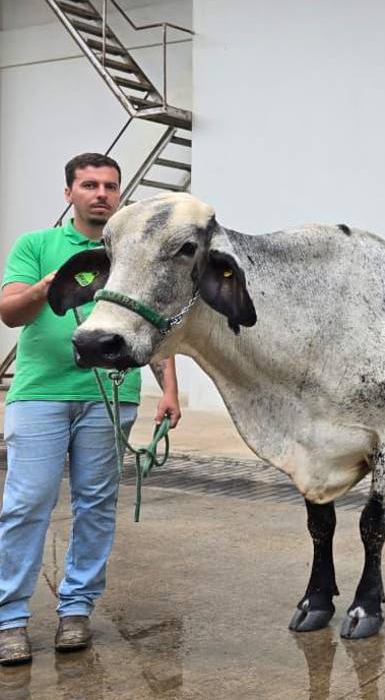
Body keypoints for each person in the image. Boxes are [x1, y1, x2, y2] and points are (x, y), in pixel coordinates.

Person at [0, 153, 182, 665]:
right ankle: (9, 618)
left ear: (120, 193)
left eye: (109, 185)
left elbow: (152, 324)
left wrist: (167, 388)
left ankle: (75, 609)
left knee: (96, 506)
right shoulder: (37, 245)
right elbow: (10, 312)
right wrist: (49, 284)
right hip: (41, 395)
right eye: (89, 185)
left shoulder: (130, 250)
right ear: (69, 194)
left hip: (111, 396)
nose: (100, 193)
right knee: (26, 504)